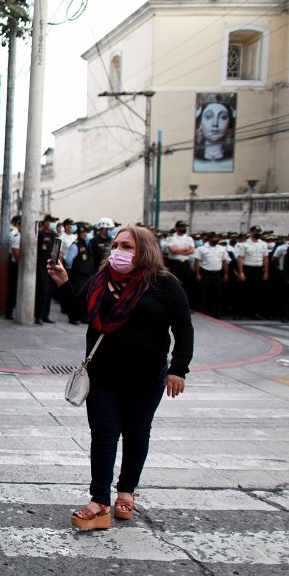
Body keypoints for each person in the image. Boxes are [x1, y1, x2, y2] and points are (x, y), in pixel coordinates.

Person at [46, 225, 193, 530]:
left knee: (137, 434)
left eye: (127, 246)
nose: (118, 252)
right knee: (103, 434)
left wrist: (178, 369)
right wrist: (63, 283)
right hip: (103, 376)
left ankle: (126, 492)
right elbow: (79, 311)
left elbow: (183, 328)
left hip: (147, 376)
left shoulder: (164, 285)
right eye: (115, 245)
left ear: (144, 251)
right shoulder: (101, 281)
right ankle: (99, 501)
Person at [193, 97, 235, 172]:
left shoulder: (232, 159)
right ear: (200, 125)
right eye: (208, 117)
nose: (215, 123)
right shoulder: (195, 159)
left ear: (229, 125)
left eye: (223, 117)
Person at [193, 231, 229, 318]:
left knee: (217, 294)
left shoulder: (221, 248)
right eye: (214, 238)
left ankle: (216, 312)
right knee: (204, 293)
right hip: (206, 273)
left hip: (217, 273)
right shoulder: (202, 248)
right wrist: (197, 274)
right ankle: (204, 311)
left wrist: (226, 274)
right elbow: (197, 261)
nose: (216, 240)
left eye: (217, 238)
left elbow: (224, 261)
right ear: (209, 239)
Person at [237, 225, 268, 319]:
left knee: (257, 292)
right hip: (248, 269)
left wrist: (266, 272)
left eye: (258, 232)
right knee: (244, 292)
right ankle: (239, 313)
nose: (257, 233)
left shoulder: (263, 244)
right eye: (255, 232)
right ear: (251, 232)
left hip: (258, 269)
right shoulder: (245, 244)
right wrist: (241, 272)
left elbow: (266, 259)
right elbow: (240, 259)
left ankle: (255, 313)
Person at [35, 214, 58, 324]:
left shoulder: (54, 234)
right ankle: (38, 315)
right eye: (50, 221)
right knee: (42, 291)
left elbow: (56, 249)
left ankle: (45, 315)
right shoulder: (40, 233)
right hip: (41, 265)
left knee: (49, 291)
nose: (52, 223)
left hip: (51, 265)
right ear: (45, 222)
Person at [163, 220, 195, 291]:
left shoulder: (189, 238)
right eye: (182, 227)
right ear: (177, 228)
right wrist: (186, 249)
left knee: (187, 283)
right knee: (174, 282)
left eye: (184, 227)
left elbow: (192, 250)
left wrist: (179, 250)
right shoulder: (170, 238)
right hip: (175, 263)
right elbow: (172, 250)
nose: (184, 228)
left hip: (185, 263)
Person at [6, 214, 21, 319]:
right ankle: (9, 311)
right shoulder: (15, 234)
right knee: (12, 288)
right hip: (15, 264)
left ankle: (11, 309)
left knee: (14, 289)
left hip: (15, 263)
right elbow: (15, 252)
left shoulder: (14, 232)